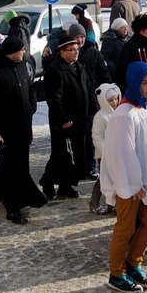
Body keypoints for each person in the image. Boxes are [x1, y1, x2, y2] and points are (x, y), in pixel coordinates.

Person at [100, 61, 147, 293]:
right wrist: (131, 184)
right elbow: (119, 153)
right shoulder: (123, 115)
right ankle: (116, 273)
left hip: (145, 182)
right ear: (134, 83)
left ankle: (133, 263)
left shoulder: (145, 109)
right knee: (125, 228)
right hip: (129, 184)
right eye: (145, 83)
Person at [0, 35, 47, 224]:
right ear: (11, 52)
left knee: (16, 164)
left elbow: (30, 87)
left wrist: (31, 105)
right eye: (21, 49)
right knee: (14, 169)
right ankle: (13, 208)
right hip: (6, 130)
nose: (24, 52)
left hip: (24, 126)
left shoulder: (23, 65)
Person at [40, 38, 97, 199]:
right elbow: (54, 99)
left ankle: (66, 186)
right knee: (61, 155)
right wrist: (64, 119)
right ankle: (47, 180)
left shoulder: (79, 67)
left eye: (77, 49)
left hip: (80, 120)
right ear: (61, 52)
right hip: (64, 122)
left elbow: (89, 90)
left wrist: (96, 109)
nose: (76, 52)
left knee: (75, 155)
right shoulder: (55, 71)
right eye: (72, 50)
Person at [89, 82, 121, 215]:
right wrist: (105, 152)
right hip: (105, 155)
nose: (114, 102)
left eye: (116, 99)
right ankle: (94, 203)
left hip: (117, 154)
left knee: (116, 178)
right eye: (110, 100)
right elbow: (97, 137)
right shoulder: (100, 116)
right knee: (104, 178)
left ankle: (112, 204)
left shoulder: (118, 113)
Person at [113, 14, 147, 93]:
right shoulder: (131, 46)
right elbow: (121, 70)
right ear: (139, 29)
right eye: (145, 28)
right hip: (137, 88)